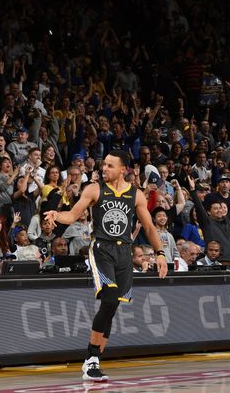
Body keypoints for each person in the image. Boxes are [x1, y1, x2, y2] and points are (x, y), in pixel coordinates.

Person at [43, 150, 168, 382]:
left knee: (112, 308)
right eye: (104, 165)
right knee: (109, 299)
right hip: (102, 249)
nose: (104, 169)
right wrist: (55, 215)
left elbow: (150, 228)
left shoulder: (136, 194)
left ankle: (95, 361)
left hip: (124, 252)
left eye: (110, 166)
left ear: (123, 170)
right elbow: (71, 215)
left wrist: (160, 253)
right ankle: (91, 358)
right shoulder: (94, 189)